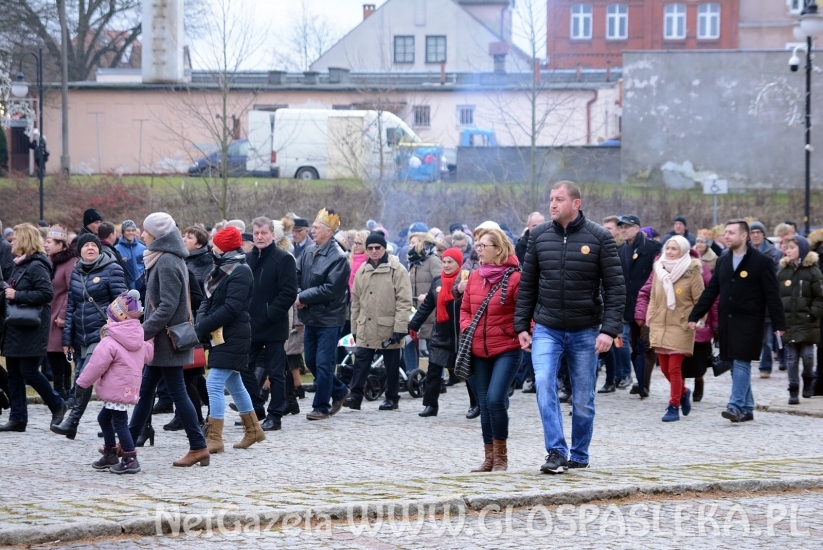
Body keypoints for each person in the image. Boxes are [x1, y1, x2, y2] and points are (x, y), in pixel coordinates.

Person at [514, 181, 625, 474]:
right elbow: (527, 285)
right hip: (547, 327)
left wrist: (608, 330)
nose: (552, 204)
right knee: (543, 384)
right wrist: (522, 325)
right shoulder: (538, 236)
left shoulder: (600, 237)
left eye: (559, 199)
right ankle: (556, 451)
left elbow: (615, 288)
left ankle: (579, 452)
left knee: (583, 398)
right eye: (551, 199)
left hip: (585, 328)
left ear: (575, 203)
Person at [127, 212, 209, 466]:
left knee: (177, 392)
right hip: (161, 340)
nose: (142, 234)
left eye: (145, 230)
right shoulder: (162, 258)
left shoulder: (167, 261)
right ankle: (127, 443)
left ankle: (198, 446)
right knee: (147, 391)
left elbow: (169, 305)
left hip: (167, 341)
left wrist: (143, 332)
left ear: (157, 234)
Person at [688, 219, 786, 423]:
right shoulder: (723, 261)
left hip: (749, 322)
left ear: (744, 236)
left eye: (731, 232)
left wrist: (779, 324)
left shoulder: (761, 262)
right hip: (727, 321)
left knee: (741, 362)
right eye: (726, 232)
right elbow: (712, 291)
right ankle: (748, 407)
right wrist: (696, 315)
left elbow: (772, 296)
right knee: (733, 364)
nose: (727, 236)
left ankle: (735, 406)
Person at [196, 226, 265, 452]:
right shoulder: (219, 269)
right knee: (234, 383)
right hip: (220, 335)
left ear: (224, 247)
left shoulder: (241, 271)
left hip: (234, 334)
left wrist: (203, 326)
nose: (212, 248)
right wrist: (200, 321)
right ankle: (254, 430)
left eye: (216, 244)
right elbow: (208, 299)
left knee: (213, 382)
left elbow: (231, 308)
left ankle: (215, 437)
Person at [52, 233, 127, 439]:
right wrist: (67, 339)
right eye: (86, 246)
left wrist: (113, 327)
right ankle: (125, 425)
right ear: (80, 250)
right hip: (82, 335)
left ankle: (72, 421)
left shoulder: (112, 269)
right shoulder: (77, 272)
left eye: (94, 245)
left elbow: (123, 303)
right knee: (97, 380)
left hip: (103, 334)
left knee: (84, 377)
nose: (91, 248)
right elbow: (71, 308)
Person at [460, 228, 521, 472]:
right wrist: (467, 328)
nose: (479, 249)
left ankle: (502, 458)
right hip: (478, 349)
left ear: (499, 249)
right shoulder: (475, 276)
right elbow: (465, 310)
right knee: (484, 403)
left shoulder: (516, 277)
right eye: (478, 244)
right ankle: (489, 458)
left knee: (496, 399)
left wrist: (523, 333)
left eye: (484, 245)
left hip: (506, 347)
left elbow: (526, 311)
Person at [76, 290, 154, 474]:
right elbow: (148, 355)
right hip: (130, 388)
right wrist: (150, 338)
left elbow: (95, 366)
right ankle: (111, 453)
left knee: (119, 422)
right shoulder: (139, 341)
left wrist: (81, 384)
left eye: (110, 317)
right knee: (104, 417)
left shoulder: (109, 342)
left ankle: (130, 457)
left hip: (115, 388)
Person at [0, 223, 67, 432]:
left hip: (31, 327)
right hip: (15, 326)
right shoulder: (20, 263)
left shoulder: (37, 265)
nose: (12, 241)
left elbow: (46, 293)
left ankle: (57, 404)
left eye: (16, 238)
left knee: (28, 371)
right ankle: (18, 417)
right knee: (13, 372)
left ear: (25, 241)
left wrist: (16, 295)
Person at [344, 231, 412, 411]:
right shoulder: (362, 270)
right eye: (371, 248)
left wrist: (400, 327)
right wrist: (354, 326)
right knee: (361, 362)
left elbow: (404, 301)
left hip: (388, 325)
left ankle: (392, 397)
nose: (374, 251)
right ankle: (355, 396)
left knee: (391, 365)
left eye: (377, 248)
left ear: (384, 248)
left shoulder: (397, 269)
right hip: (366, 324)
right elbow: (356, 301)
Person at [242, 217, 298, 431]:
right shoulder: (247, 259)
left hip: (273, 325)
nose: (260, 237)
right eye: (256, 234)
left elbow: (288, 293)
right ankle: (256, 407)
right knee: (244, 367)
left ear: (273, 235)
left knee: (276, 372)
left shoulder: (283, 259)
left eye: (264, 233)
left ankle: (275, 415)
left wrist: (269, 313)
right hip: (250, 324)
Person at [295, 208, 351, 421]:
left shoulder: (338, 257)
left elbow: (330, 289)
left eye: (316, 228)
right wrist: (299, 295)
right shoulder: (309, 252)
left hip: (329, 318)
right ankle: (339, 390)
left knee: (324, 363)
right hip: (311, 317)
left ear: (328, 231)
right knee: (310, 361)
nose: (312, 231)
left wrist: (303, 298)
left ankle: (321, 406)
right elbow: (297, 276)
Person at [646, 236, 705, 422]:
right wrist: (650, 313)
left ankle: (673, 405)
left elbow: (700, 300)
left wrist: (697, 319)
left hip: (682, 324)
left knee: (673, 368)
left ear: (683, 251)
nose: (670, 252)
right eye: (668, 248)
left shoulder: (692, 272)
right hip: (660, 323)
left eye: (674, 249)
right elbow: (654, 296)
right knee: (663, 368)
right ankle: (684, 391)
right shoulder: (659, 269)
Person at [409, 247, 464, 417]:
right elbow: (426, 307)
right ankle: (431, 405)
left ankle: (476, 404)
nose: (446, 265)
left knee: (469, 373)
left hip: (461, 335)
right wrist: (413, 325)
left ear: (459, 264)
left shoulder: (465, 281)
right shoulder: (437, 281)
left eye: (450, 262)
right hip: (441, 333)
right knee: (433, 371)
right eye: (444, 261)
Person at [614, 214, 661, 395]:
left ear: (637, 228)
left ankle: (644, 383)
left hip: (649, 304)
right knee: (633, 345)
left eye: (627, 226)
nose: (623, 230)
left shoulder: (653, 248)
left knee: (646, 345)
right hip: (629, 306)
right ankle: (640, 379)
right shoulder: (620, 251)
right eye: (621, 227)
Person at [776, 235, 823, 404]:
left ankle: (808, 378)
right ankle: (793, 389)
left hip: (807, 321)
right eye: (786, 248)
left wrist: (813, 313)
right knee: (792, 357)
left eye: (792, 247)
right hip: (789, 321)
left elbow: (820, 296)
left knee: (808, 354)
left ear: (801, 250)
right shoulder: (783, 271)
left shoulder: (813, 271)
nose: (788, 250)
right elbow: (776, 294)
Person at [44, 226, 76, 400]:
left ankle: (63, 391)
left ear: (60, 245)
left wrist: (63, 315)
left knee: (61, 353)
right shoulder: (49, 261)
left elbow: (72, 290)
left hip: (60, 315)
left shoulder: (70, 262)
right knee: (52, 352)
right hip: (49, 313)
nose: (46, 245)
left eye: (49, 242)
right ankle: (61, 391)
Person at [749, 221, 783, 378]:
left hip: (767, 304)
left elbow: (776, 279)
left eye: (758, 232)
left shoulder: (775, 254)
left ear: (763, 235)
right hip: (750, 304)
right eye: (753, 232)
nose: (755, 235)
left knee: (767, 341)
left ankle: (765, 367)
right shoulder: (745, 252)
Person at [405, 231, 442, 371]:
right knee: (407, 341)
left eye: (414, 242)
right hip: (414, 311)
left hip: (430, 310)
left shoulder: (432, 260)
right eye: (410, 243)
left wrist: (428, 296)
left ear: (423, 243)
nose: (410, 245)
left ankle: (438, 377)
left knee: (431, 343)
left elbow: (440, 283)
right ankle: (412, 374)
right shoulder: (413, 263)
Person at [115, 220, 146, 294]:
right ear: (123, 232)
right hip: (126, 288)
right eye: (128, 230)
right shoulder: (116, 249)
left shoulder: (143, 248)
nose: (131, 233)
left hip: (142, 288)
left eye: (133, 230)